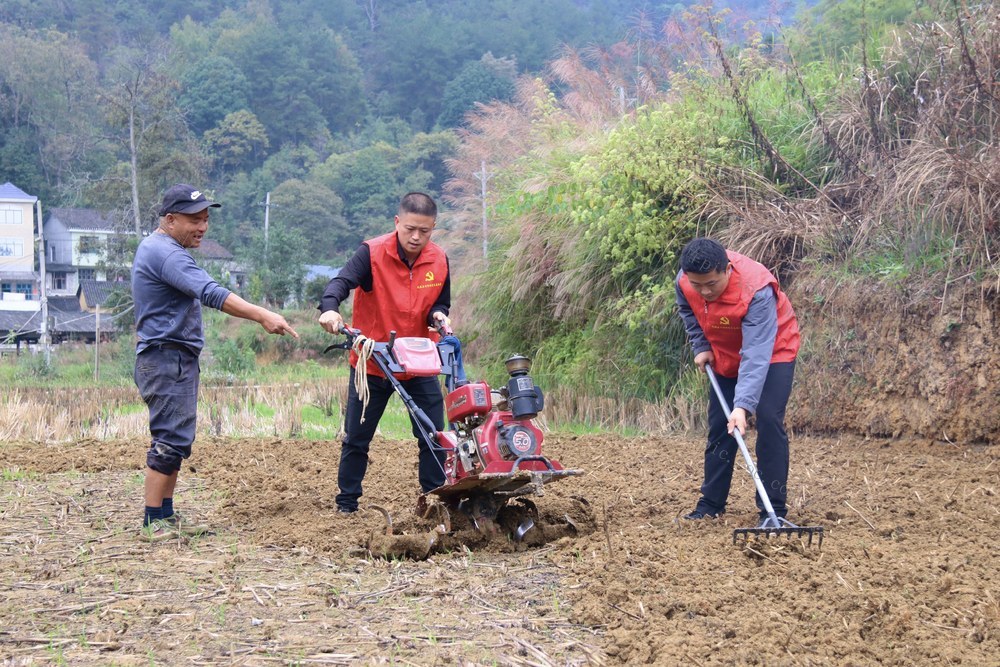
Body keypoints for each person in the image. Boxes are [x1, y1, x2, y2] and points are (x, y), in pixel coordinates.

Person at [133, 183, 299, 542]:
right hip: (165, 358)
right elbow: (211, 292)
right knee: (167, 440)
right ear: (170, 219)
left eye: (206, 219)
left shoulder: (163, 248)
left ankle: (165, 516)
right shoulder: (166, 254)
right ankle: (152, 522)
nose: (203, 227)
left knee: (177, 440)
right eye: (195, 219)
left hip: (174, 358)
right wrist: (261, 315)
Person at [318, 192, 451, 514]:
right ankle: (346, 504)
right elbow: (341, 282)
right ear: (397, 223)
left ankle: (434, 500)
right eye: (410, 229)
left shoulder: (439, 259)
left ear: (433, 227)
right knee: (357, 438)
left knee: (433, 435)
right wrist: (330, 310)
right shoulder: (372, 253)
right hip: (373, 362)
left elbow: (441, 302)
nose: (416, 237)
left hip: (418, 363)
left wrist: (439, 316)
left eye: (425, 230)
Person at [675, 238, 800, 525]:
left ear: (728, 269)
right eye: (698, 285)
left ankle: (774, 510)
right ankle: (711, 503)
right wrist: (700, 344)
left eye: (712, 284)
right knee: (720, 426)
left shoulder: (756, 289)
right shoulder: (685, 280)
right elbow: (687, 311)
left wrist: (742, 406)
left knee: (768, 419)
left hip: (772, 352)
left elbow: (756, 353)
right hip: (724, 352)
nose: (704, 292)